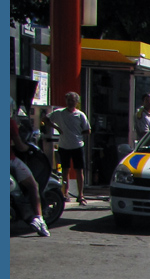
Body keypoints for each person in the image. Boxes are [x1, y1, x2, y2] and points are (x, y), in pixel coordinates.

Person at [10, 100, 49, 236]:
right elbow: (20, 146)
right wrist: (29, 148)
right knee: (33, 185)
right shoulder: (10, 123)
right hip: (9, 160)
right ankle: (39, 219)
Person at [52, 91, 91, 205]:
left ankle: (80, 195)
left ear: (76, 102)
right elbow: (45, 119)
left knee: (79, 170)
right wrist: (57, 128)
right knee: (65, 170)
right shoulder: (59, 113)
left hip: (77, 146)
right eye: (68, 100)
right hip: (64, 146)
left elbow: (88, 130)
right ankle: (65, 193)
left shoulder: (80, 115)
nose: (70, 103)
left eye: (73, 101)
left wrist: (77, 133)